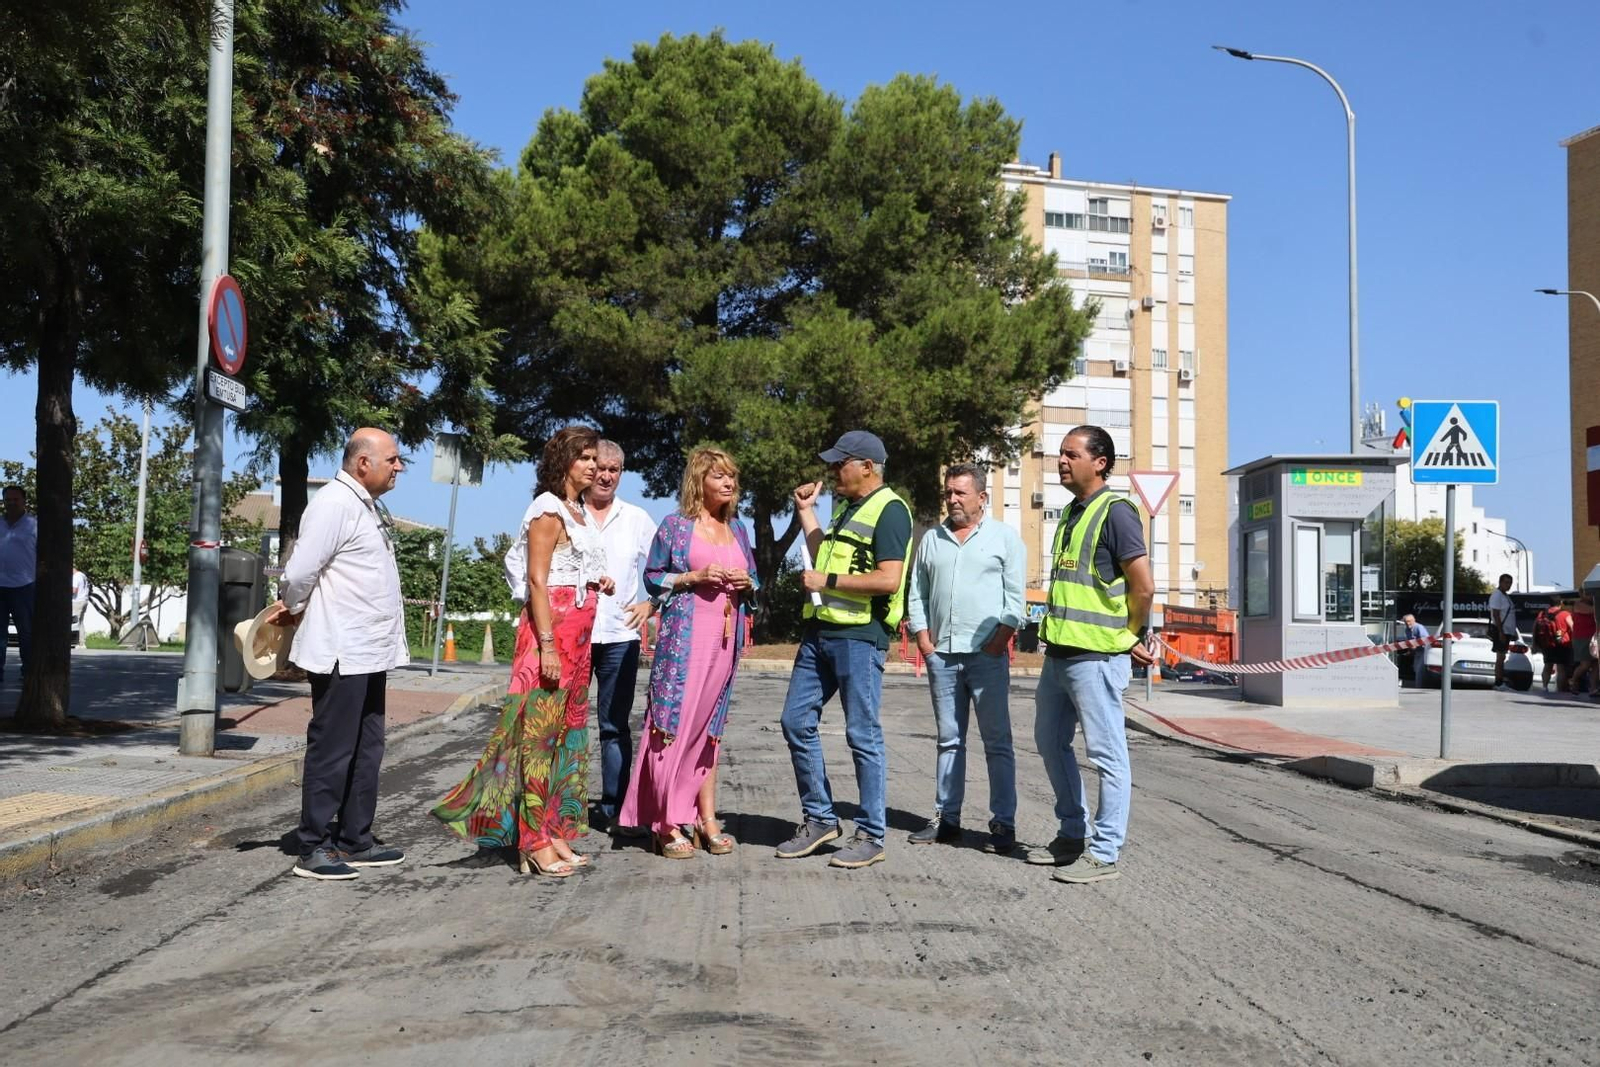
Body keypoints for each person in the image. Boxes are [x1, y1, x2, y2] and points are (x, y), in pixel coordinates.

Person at [433, 427, 613, 879]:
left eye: (595, 458)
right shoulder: (547, 509)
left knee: (563, 741)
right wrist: (547, 647)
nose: (593, 466)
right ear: (564, 462)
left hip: (578, 640)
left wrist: (598, 581)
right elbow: (537, 580)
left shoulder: (579, 512)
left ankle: (552, 829)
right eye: (584, 458)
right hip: (549, 637)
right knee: (537, 740)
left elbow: (572, 569)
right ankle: (531, 841)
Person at [270, 429, 410, 882]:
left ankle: (355, 839)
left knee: (367, 748)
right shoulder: (333, 503)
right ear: (363, 463)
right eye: (392, 459)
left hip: (369, 651)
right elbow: (299, 572)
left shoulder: (365, 506)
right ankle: (313, 846)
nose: (399, 467)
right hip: (341, 651)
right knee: (333, 749)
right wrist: (291, 607)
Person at [776, 430, 912, 871]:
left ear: (867, 467)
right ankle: (820, 819)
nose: (834, 472)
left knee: (862, 735)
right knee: (795, 720)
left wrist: (828, 583)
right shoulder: (848, 509)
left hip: (859, 636)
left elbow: (889, 579)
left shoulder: (890, 510)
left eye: (841, 464)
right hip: (821, 634)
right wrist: (806, 513)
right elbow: (825, 557)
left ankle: (872, 835)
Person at [1029, 426, 1154, 884]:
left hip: (1096, 657)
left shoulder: (1116, 512)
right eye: (1059, 453)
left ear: (1099, 461)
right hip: (1059, 655)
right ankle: (1071, 835)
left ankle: (1104, 853)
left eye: (1070, 453)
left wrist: (1130, 635)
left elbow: (1143, 586)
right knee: (1049, 742)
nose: (1061, 460)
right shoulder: (1071, 514)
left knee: (1106, 756)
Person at [619, 448, 758, 859]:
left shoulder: (740, 529)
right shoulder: (675, 527)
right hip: (684, 640)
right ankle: (663, 821)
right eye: (719, 476)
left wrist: (746, 582)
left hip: (725, 641)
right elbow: (654, 577)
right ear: (700, 481)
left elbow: (755, 579)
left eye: (731, 476)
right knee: (673, 723)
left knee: (709, 726)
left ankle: (705, 817)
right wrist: (694, 576)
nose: (728, 483)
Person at [904, 462, 1025, 853]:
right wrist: (923, 639)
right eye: (949, 493)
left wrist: (997, 642)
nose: (952, 500)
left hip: (987, 658)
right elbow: (917, 592)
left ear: (982, 497)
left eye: (960, 493)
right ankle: (946, 818)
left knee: (997, 742)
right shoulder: (932, 540)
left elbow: (1015, 601)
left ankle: (1003, 824)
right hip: (943, 657)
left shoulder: (1004, 538)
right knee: (949, 740)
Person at [581, 441, 656, 834]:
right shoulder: (565, 511)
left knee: (614, 725)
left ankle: (615, 808)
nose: (607, 476)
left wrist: (652, 603)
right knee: (565, 724)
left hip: (618, 636)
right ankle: (562, 808)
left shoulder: (636, 518)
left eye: (615, 469)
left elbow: (668, 564)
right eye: (600, 467)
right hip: (571, 637)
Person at [0, 486, 37, 683]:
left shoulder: (34, 525)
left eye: (15, 499)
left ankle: (29, 672)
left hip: (25, 586)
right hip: (0, 586)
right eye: (8, 499)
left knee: (27, 632)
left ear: (24, 501)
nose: (11, 502)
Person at [1534, 594, 1573, 693]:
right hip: (1562, 644)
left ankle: (1544, 687)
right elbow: (1573, 628)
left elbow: (1535, 628)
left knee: (1547, 666)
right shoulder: (1565, 614)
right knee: (1561, 668)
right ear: (1560, 603)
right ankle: (1560, 690)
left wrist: (1535, 643)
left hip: (1547, 644)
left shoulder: (1542, 614)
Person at [1489, 573, 1517, 691]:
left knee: (1502, 656)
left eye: (1510, 583)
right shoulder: (1497, 595)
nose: (1508, 585)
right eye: (1506, 582)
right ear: (1500, 582)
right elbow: (1496, 614)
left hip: (1507, 631)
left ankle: (1500, 680)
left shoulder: (1505, 596)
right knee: (1500, 657)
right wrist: (1500, 632)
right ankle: (1498, 682)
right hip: (1501, 630)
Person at [1568, 594, 1596, 698]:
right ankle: (1573, 680)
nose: (1592, 596)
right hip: (1582, 638)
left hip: (1594, 638)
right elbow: (1592, 610)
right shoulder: (1578, 605)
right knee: (1586, 664)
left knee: (1596, 664)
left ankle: (1593, 689)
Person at [1401, 614, 1429, 688]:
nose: (1408, 623)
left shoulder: (1419, 627)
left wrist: (1416, 645)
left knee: (1419, 670)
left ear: (1414, 620)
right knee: (1416, 668)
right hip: (1417, 652)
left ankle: (1418, 687)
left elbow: (1425, 640)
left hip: (1424, 651)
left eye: (1409, 621)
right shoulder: (1407, 630)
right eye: (1406, 622)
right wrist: (1410, 650)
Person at [70, 566, 89, 648]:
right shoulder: (83, 575)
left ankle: (75, 642)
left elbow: (74, 590)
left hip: (77, 601)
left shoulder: (76, 576)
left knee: (74, 622)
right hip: (84, 600)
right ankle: (82, 642)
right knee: (80, 622)